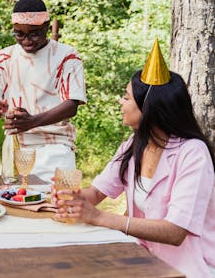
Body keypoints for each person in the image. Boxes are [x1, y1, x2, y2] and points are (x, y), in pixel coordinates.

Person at [53, 41, 215, 278]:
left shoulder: (193, 153)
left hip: (188, 267)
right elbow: (96, 193)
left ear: (148, 107)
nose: (121, 102)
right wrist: (74, 198)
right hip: (142, 258)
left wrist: (98, 217)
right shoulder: (133, 145)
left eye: (126, 97)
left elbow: (175, 231)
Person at [0, 0, 87, 183]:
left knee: (60, 208)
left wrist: (32, 122)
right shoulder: (4, 57)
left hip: (58, 148)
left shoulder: (67, 56)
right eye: (19, 34)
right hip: (16, 149)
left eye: (34, 33)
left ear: (47, 26)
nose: (27, 40)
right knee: (13, 206)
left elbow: (72, 105)